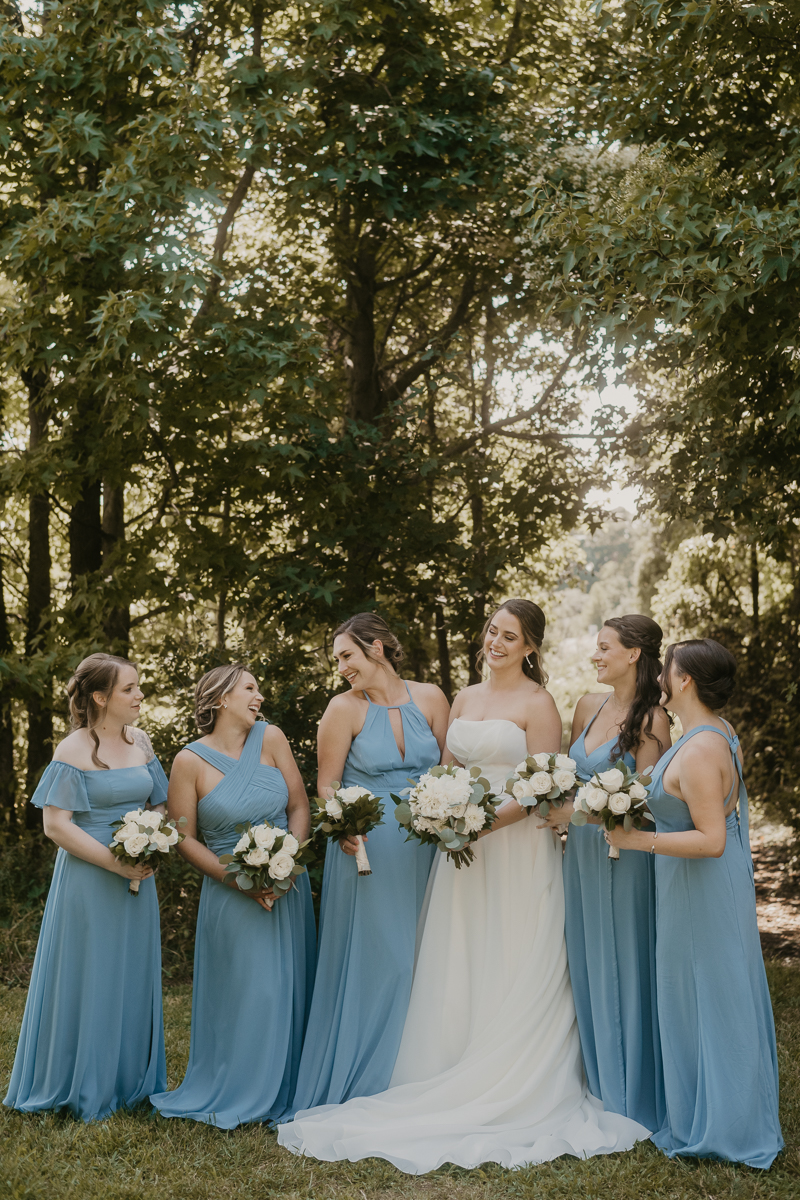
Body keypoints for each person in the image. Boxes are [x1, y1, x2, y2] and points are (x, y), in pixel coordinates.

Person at [278, 599, 649, 1172]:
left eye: (509, 636)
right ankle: (447, 1058)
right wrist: (443, 815)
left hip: (515, 847)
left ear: (530, 646)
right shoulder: (465, 698)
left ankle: (510, 1069)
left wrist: (476, 824)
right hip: (463, 852)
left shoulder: (539, 702)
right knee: (458, 951)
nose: (494, 642)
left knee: (513, 946)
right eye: (491, 632)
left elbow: (540, 786)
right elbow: (446, 772)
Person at [605, 638, 783, 1169]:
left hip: (701, 888)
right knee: (699, 998)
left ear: (684, 681)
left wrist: (637, 840)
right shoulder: (714, 734)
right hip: (691, 888)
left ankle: (726, 1128)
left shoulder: (703, 747)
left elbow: (711, 839)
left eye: (666, 670)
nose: (659, 677)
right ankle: (702, 1112)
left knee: (714, 1000)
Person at [286, 614, 449, 1115]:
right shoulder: (343, 708)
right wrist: (345, 827)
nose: (341, 668)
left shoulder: (433, 698)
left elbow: (448, 769)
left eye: (346, 656)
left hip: (428, 841)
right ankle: (367, 1075)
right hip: (368, 846)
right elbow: (327, 785)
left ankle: (423, 1071)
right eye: (338, 660)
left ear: (377, 649)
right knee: (384, 958)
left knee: (428, 951)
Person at [149, 663, 315, 1128]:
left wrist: (287, 861)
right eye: (250, 688)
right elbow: (184, 838)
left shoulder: (273, 737)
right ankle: (239, 1084)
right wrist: (240, 879)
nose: (259, 696)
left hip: (287, 886)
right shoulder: (188, 761)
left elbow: (299, 805)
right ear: (222, 697)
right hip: (230, 889)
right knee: (249, 990)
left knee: (286, 985)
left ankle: (287, 1084)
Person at [4, 653, 168, 1121]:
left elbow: (160, 804)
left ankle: (130, 1080)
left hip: (139, 873)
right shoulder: (72, 750)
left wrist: (147, 838)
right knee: (90, 972)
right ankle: (78, 1082)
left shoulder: (142, 742)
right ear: (100, 697)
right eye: (130, 688)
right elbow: (56, 826)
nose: (139, 695)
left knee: (130, 971)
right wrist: (117, 864)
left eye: (139, 687)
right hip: (90, 876)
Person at [546, 616, 670, 1131]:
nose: (595, 656)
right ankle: (595, 1080)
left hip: (625, 855)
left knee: (624, 956)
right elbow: (569, 778)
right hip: (580, 855)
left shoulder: (655, 721)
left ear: (634, 653)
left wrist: (575, 813)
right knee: (587, 956)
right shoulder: (586, 706)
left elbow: (645, 805)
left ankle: (629, 1088)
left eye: (604, 648)